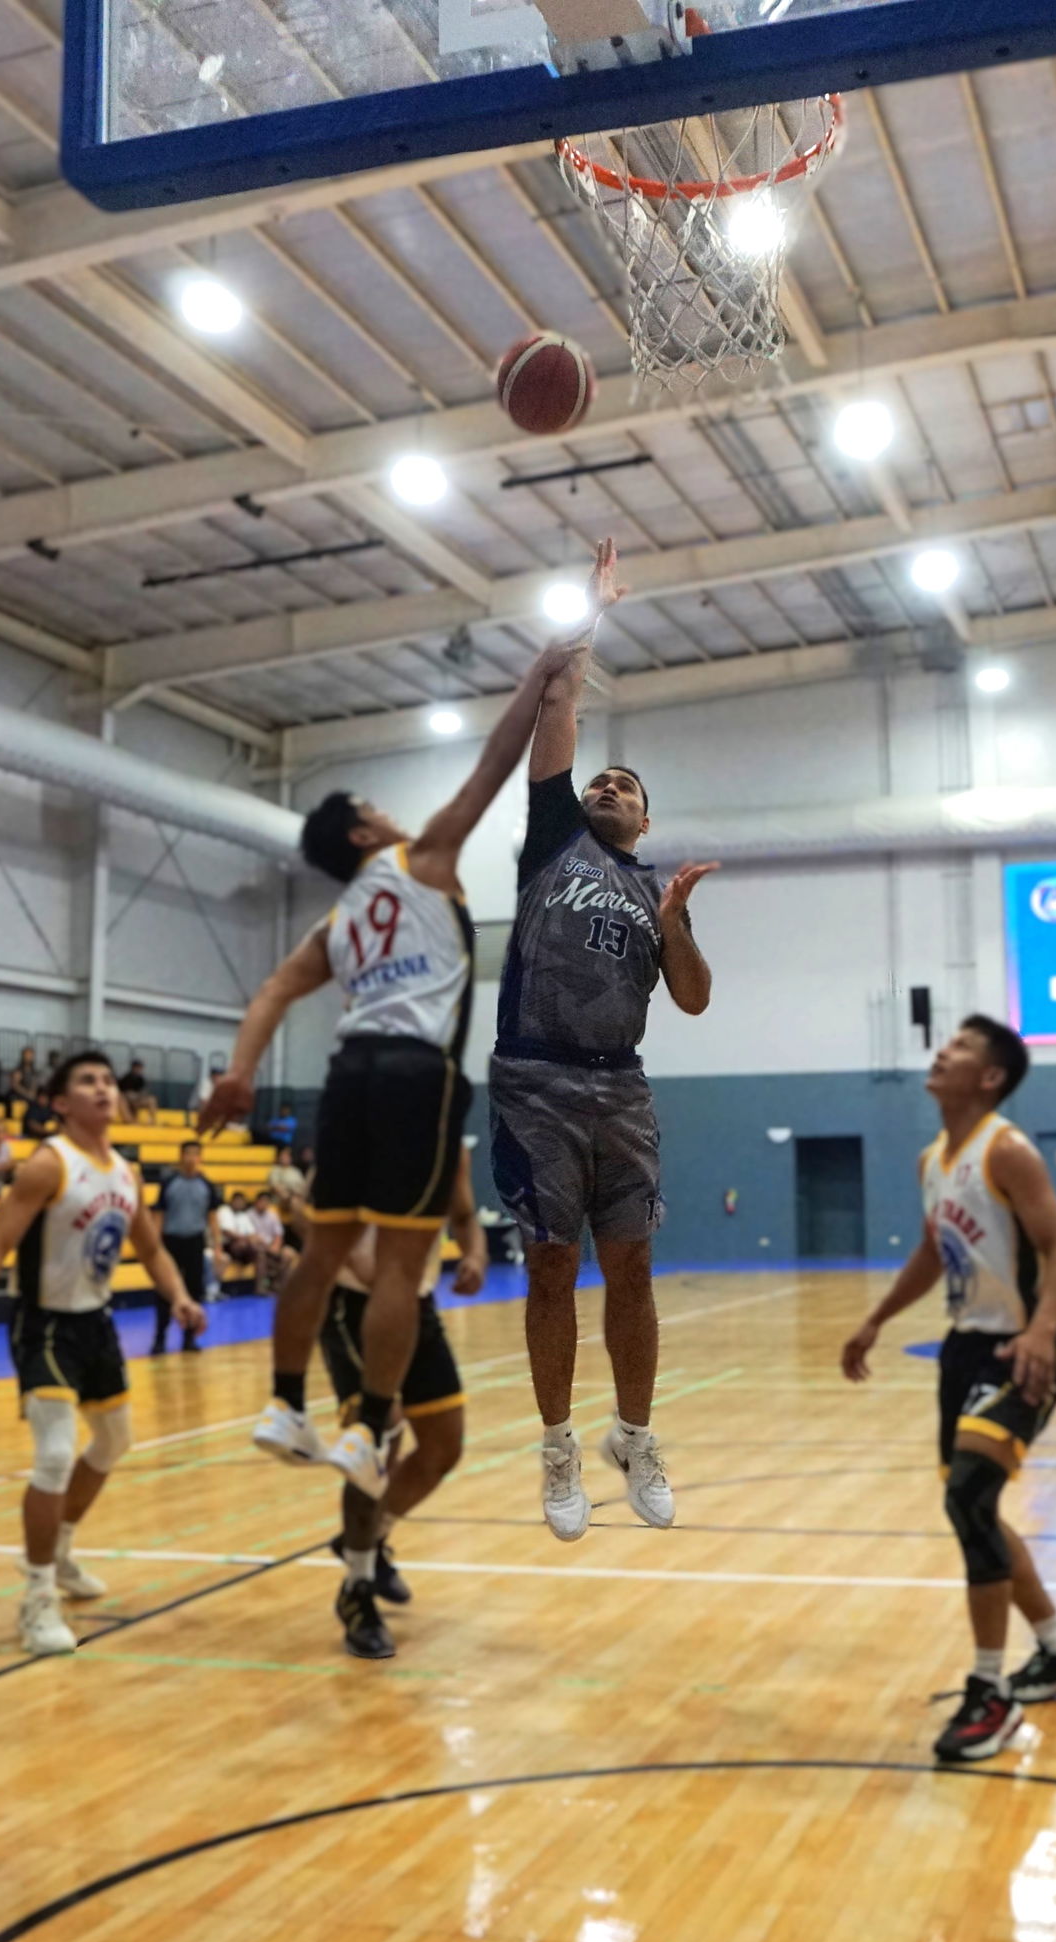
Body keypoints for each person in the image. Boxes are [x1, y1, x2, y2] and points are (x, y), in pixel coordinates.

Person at [201, 613, 593, 1498]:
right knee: (402, 1268)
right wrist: (546, 668)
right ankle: (372, 1426)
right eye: (373, 808)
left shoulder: (337, 922)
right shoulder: (426, 855)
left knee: (323, 1249)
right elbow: (495, 762)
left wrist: (239, 1072)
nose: (388, 810)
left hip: (348, 1074)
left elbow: (268, 994)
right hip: (416, 1074)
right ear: (361, 835)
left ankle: (283, 1403)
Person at [486, 547, 715, 1542]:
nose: (606, 783)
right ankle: (555, 1448)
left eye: (624, 783)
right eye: (600, 777)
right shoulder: (551, 840)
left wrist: (678, 922)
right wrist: (590, 608)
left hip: (619, 1087)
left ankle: (634, 1432)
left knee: (631, 1266)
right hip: (535, 1076)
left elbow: (696, 1001)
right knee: (547, 1267)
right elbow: (557, 702)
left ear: (647, 815)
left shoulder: (653, 887)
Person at [841, 1015, 1056, 1765]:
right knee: (976, 1503)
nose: (940, 1051)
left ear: (989, 1077)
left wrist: (1041, 1331)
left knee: (968, 1496)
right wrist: (876, 1318)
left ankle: (988, 1691)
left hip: (1017, 1349)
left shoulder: (1007, 1149)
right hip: (963, 1349)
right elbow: (933, 1252)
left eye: (957, 1048)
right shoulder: (934, 1158)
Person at [0, 1050, 207, 1656]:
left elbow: (152, 1250)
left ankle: (62, 1548)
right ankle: (37, 1597)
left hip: (95, 1324)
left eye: (108, 1080)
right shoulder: (49, 1165)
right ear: (59, 1101)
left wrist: (180, 1295)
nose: (103, 1089)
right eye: (88, 1081)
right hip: (44, 1324)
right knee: (55, 1452)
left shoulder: (126, 1173)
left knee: (113, 1441)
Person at [322, 1148, 483, 1659]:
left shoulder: (448, 1143)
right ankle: (357, 1588)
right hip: (352, 1302)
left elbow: (462, 1215)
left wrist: (475, 1253)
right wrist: (356, 1260)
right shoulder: (357, 1124)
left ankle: (369, 1536)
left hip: (415, 1302)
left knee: (443, 1447)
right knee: (382, 1433)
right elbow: (312, 1216)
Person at [151, 1140, 219, 1356]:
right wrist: (155, 1244)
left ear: (200, 1158)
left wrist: (217, 1247)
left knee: (193, 1291)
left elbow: (213, 1218)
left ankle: (189, 1338)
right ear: (181, 1157)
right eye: (187, 1153)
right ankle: (159, 1339)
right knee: (165, 1290)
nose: (191, 1158)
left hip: (195, 1242)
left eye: (195, 1154)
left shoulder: (207, 1186)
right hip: (171, 1241)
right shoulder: (169, 1183)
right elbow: (159, 1214)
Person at [216, 1189, 265, 1288]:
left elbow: (252, 1234)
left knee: (260, 1251)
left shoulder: (243, 1215)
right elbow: (228, 1232)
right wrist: (247, 1239)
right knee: (244, 1244)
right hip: (226, 1246)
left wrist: (251, 1240)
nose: (239, 1203)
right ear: (232, 1201)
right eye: (237, 1200)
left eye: (242, 1202)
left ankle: (261, 1286)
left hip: (245, 1247)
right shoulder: (224, 1210)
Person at [250, 1190, 292, 1289]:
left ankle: (281, 1287)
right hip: (257, 1247)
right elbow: (252, 1236)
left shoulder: (272, 1215)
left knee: (288, 1254)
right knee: (261, 1253)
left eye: (266, 1202)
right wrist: (269, 1248)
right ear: (256, 1202)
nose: (264, 1204)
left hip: (271, 1246)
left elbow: (278, 1234)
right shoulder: (249, 1215)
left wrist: (276, 1246)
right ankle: (262, 1288)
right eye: (262, 1201)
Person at [117, 1059, 159, 1125]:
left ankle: (152, 1121)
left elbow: (144, 1091)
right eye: (138, 1067)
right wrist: (129, 1095)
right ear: (133, 1068)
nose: (139, 1069)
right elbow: (119, 1091)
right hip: (126, 1101)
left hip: (137, 1100)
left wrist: (138, 1096)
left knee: (152, 1100)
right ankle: (129, 1121)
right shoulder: (125, 1078)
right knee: (121, 1099)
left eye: (140, 1067)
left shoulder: (141, 1079)